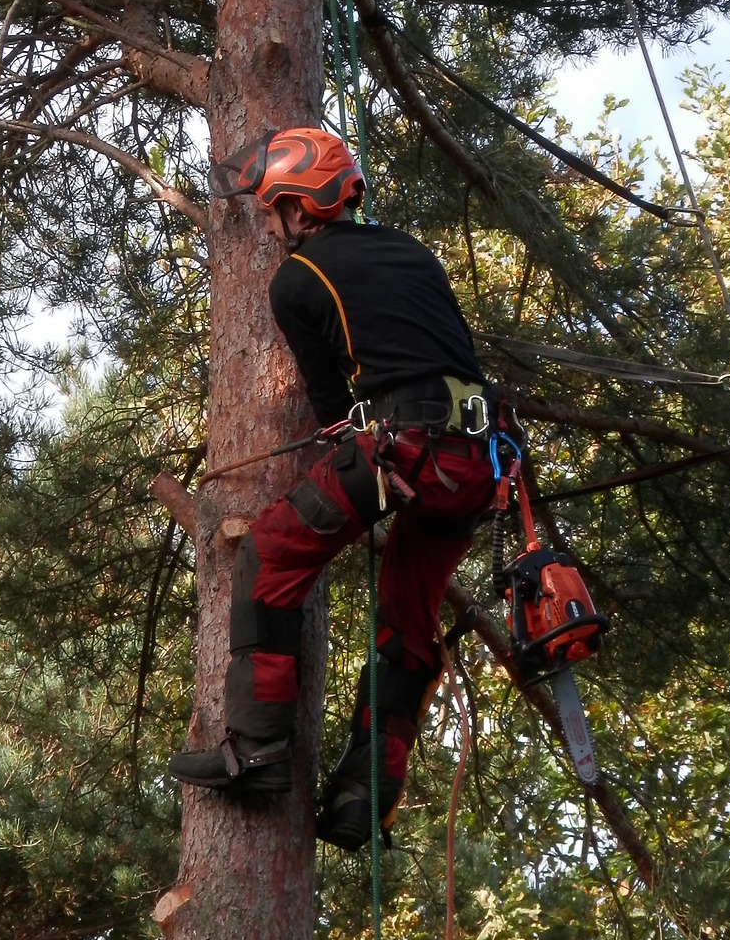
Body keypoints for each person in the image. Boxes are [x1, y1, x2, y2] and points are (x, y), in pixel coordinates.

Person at [168, 126, 498, 849]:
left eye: (272, 207)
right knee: (409, 627)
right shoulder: (414, 251)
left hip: (402, 450)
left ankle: (254, 750)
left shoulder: (296, 281)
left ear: (299, 203)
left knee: (271, 556)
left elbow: (330, 410)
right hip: (476, 464)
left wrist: (359, 459)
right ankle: (361, 797)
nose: (269, 220)